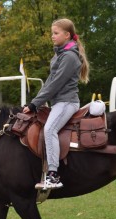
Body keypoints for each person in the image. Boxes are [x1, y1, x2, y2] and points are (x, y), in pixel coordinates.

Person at [23, 18, 90, 190]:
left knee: (49, 129)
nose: (52, 36)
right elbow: (49, 83)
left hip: (67, 102)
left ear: (67, 35)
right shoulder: (59, 55)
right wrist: (35, 103)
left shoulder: (69, 57)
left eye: (56, 33)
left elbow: (56, 84)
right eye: (52, 33)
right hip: (58, 102)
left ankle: (53, 175)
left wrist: (34, 104)